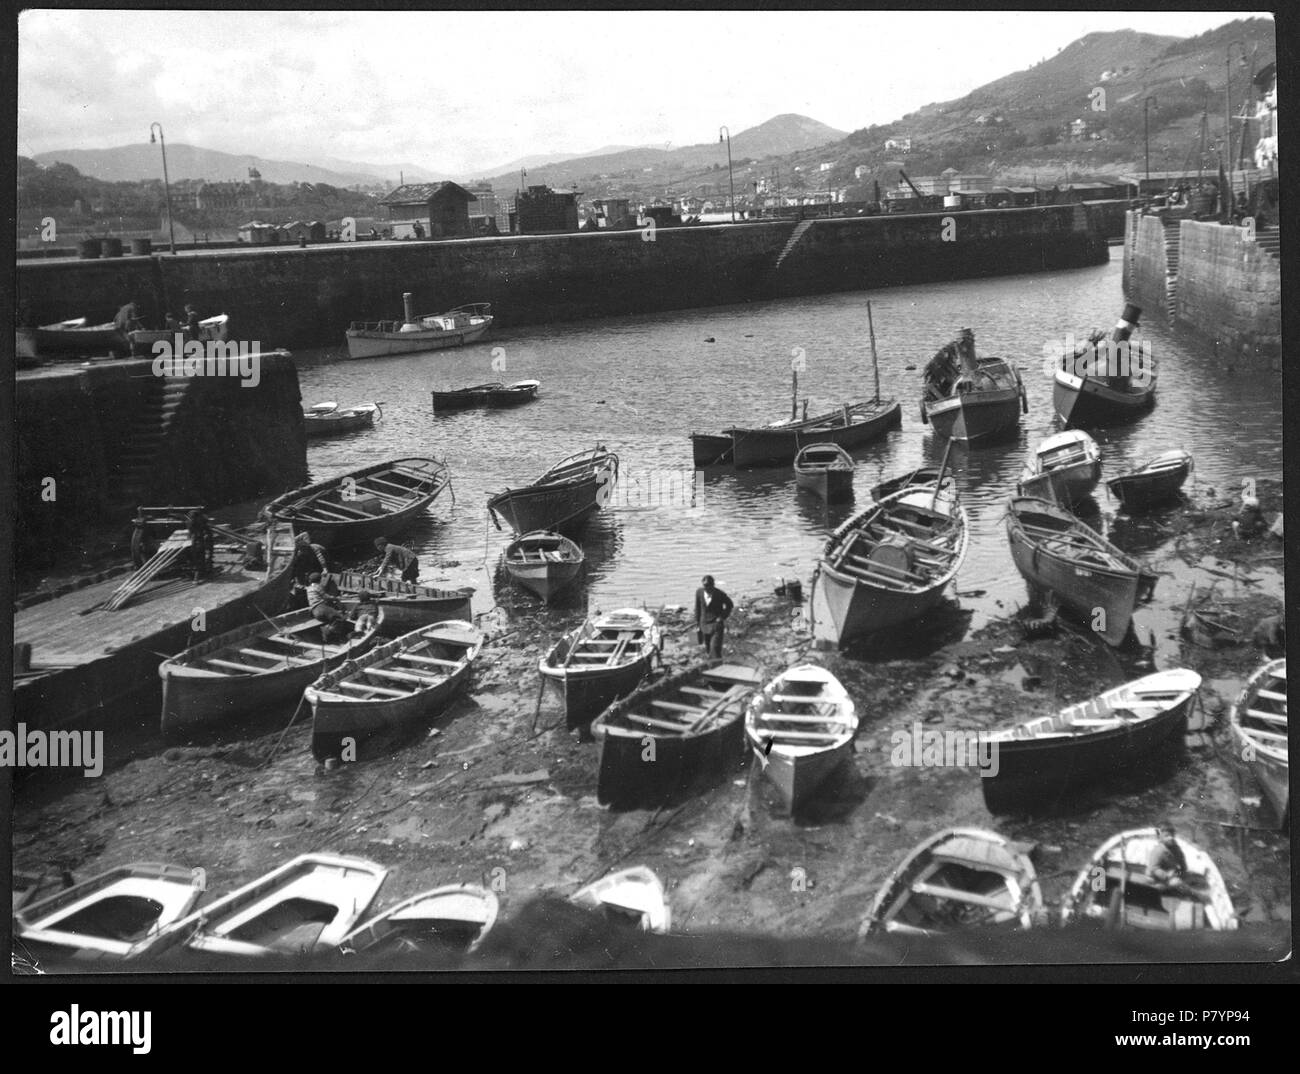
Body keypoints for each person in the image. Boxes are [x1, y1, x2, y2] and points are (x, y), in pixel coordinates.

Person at [694, 574, 734, 658]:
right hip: (704, 624)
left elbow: (730, 605)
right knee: (708, 648)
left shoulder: (719, 594)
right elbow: (697, 608)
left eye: (709, 586)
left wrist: (722, 617)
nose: (707, 588)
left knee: (715, 648)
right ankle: (711, 666)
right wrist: (697, 624)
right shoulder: (699, 592)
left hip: (716, 625)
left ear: (713, 585)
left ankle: (719, 667)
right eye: (705, 586)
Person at [1147, 822, 1191, 890]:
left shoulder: (1176, 848)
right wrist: (1166, 876)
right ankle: (1193, 893)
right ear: (1161, 837)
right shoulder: (1158, 850)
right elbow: (1154, 868)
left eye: (1172, 835)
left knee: (1187, 877)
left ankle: (1180, 887)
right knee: (1176, 882)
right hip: (1156, 879)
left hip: (1170, 873)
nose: (1170, 838)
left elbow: (1182, 861)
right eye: (1167, 836)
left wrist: (1183, 871)